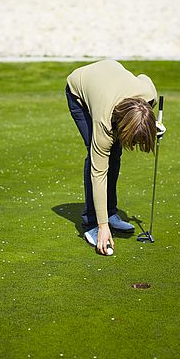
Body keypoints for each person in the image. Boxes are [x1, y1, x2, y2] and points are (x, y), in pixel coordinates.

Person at [65, 59, 158, 255]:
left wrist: (154, 126)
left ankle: (110, 212)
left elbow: (144, 77)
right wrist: (102, 227)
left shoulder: (148, 95)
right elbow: (98, 174)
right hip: (79, 89)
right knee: (97, 158)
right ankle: (92, 222)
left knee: (115, 155)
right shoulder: (104, 122)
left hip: (110, 77)